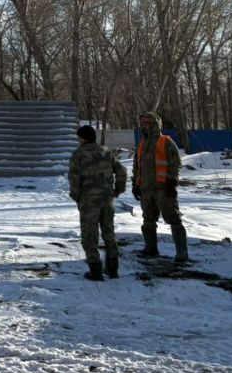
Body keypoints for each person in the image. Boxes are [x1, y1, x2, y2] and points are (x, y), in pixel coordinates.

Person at [68, 124, 127, 281]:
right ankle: (113, 268)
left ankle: (95, 270)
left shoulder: (79, 154)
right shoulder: (106, 152)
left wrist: (77, 197)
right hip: (107, 199)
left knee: (89, 235)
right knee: (109, 233)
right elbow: (122, 171)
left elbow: (74, 179)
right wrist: (118, 190)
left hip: (88, 201)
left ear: (82, 138)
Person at [133, 110, 187, 262]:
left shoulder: (166, 142)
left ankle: (182, 253)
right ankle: (151, 248)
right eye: (143, 123)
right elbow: (137, 166)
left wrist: (172, 182)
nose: (145, 126)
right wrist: (135, 184)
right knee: (148, 220)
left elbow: (175, 163)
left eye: (148, 123)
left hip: (163, 189)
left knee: (174, 219)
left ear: (156, 124)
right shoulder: (142, 145)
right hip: (146, 190)